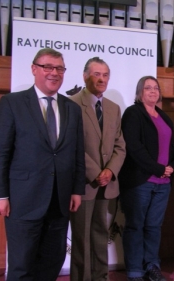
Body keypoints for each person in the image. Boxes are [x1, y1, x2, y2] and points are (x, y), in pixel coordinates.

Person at [0, 48, 85, 281]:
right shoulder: (12, 103)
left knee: (51, 263)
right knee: (21, 266)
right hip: (23, 201)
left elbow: (77, 153)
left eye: (59, 68)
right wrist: (2, 195)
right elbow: (2, 152)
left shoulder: (73, 109)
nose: (54, 73)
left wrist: (77, 190)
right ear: (34, 69)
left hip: (59, 201)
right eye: (48, 67)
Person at [69, 57, 126, 281]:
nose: (101, 79)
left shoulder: (113, 108)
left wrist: (110, 171)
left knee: (101, 235)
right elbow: (72, 145)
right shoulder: (71, 104)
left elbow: (120, 145)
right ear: (85, 76)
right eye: (96, 74)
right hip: (83, 184)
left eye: (105, 75)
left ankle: (101, 277)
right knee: (82, 238)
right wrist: (96, 173)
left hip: (107, 185)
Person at [118, 76, 174, 281]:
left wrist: (172, 167)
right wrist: (158, 168)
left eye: (156, 88)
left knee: (153, 227)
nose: (153, 91)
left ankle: (152, 266)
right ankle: (135, 270)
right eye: (148, 88)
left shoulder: (163, 116)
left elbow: (172, 147)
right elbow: (133, 147)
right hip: (139, 181)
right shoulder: (133, 113)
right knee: (135, 225)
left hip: (163, 184)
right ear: (139, 92)